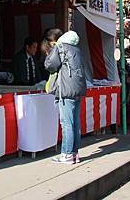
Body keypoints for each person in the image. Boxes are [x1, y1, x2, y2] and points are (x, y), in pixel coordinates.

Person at [44, 28, 87, 165]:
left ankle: (67, 154)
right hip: (78, 90)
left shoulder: (61, 46)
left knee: (67, 124)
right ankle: (74, 153)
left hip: (66, 90)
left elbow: (50, 64)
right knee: (75, 123)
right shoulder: (77, 49)